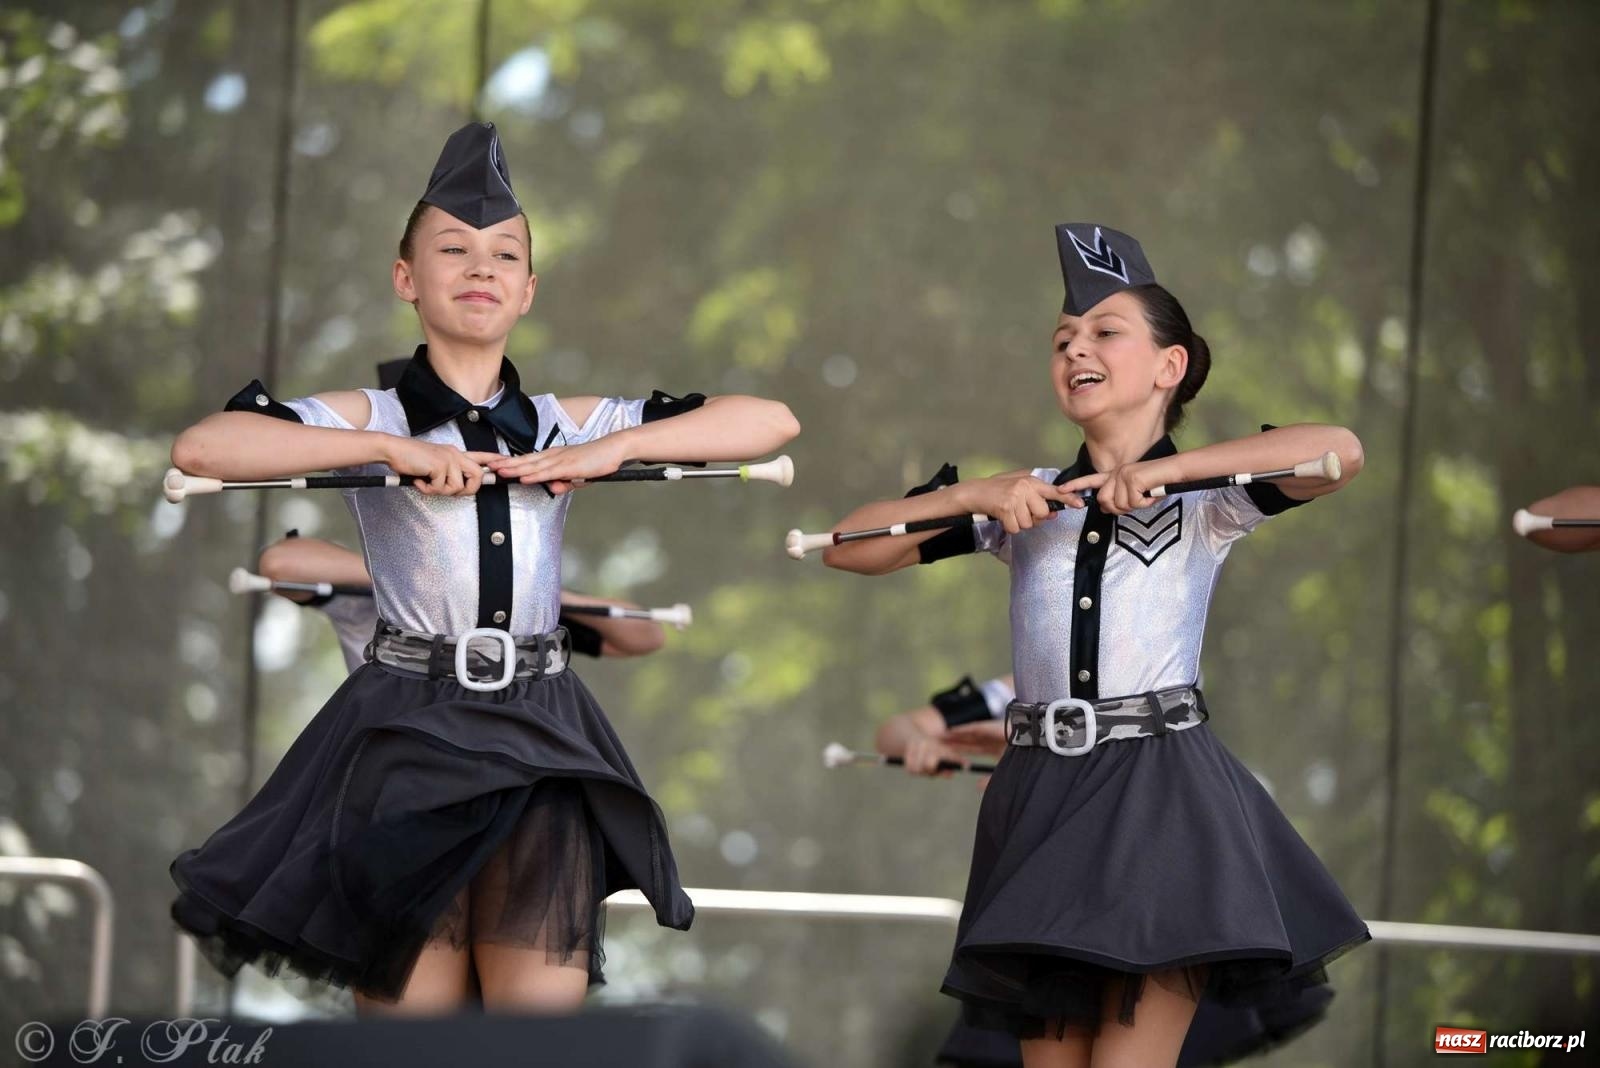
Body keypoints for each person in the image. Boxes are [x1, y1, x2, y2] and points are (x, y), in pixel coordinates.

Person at [168, 121, 799, 1016]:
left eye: (505, 254)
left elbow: (769, 422)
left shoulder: (563, 419)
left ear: (529, 289)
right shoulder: (369, 413)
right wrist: (387, 448)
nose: (481, 267)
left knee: (537, 1038)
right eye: (453, 249)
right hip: (406, 732)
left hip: (539, 732)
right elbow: (203, 446)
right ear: (405, 280)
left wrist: (610, 450)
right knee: (414, 1033)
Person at [823, 223, 1367, 1067]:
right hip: (1040, 796)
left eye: (1105, 331)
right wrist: (980, 490)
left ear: (1169, 365)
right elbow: (847, 546)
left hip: (1157, 789)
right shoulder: (1024, 501)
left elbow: (1339, 451)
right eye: (1063, 338)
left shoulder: (1211, 500)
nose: (1077, 345)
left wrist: (1172, 472)